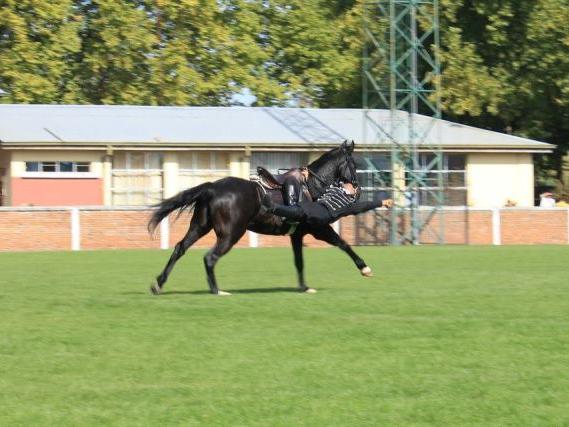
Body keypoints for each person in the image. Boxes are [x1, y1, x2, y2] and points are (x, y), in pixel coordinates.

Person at [263, 181, 392, 227]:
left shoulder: (348, 202)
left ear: (354, 192)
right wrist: (307, 176)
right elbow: (315, 188)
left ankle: (273, 208)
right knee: (302, 207)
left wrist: (381, 202)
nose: (348, 182)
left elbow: (363, 206)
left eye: (353, 185)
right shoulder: (334, 188)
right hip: (317, 206)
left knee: (302, 210)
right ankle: (274, 209)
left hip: (325, 213)